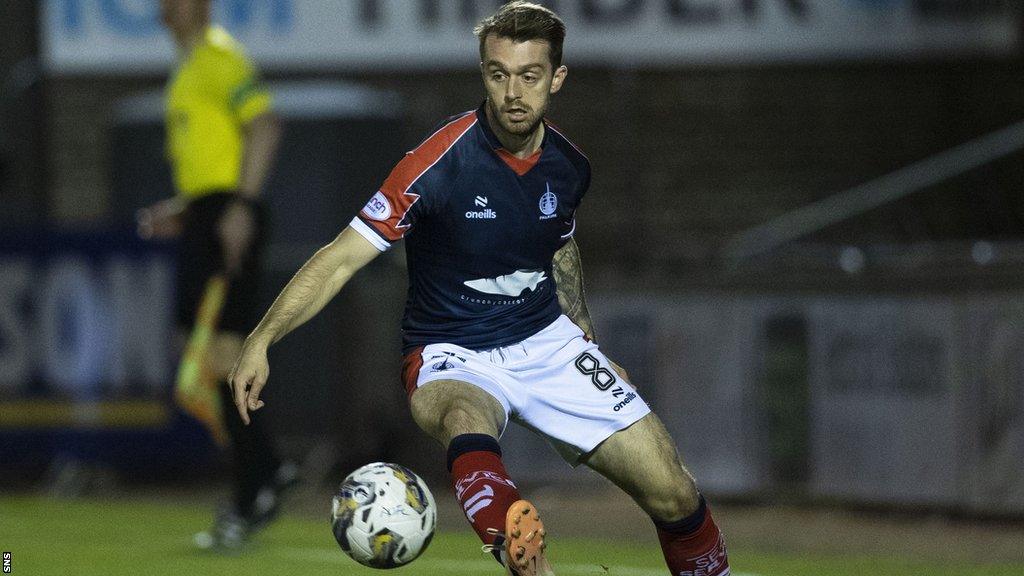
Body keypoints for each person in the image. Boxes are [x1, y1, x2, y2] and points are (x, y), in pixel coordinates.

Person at [229, 2, 730, 575]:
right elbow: (341, 258)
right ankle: (510, 531)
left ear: (556, 79)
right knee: (466, 416)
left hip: (547, 340)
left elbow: (559, 244)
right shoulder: (436, 164)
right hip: (450, 352)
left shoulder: (568, 167)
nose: (514, 91)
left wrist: (585, 341)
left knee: (675, 493)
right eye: (499, 74)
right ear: (484, 75)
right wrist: (262, 339)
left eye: (530, 75)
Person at [137, 0, 296, 551]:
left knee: (223, 358)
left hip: (227, 217)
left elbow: (266, 126)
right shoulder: (187, 69)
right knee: (205, 358)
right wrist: (183, 209)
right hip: (207, 215)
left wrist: (241, 208)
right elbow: (214, 159)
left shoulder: (219, 57)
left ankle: (259, 483)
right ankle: (263, 474)